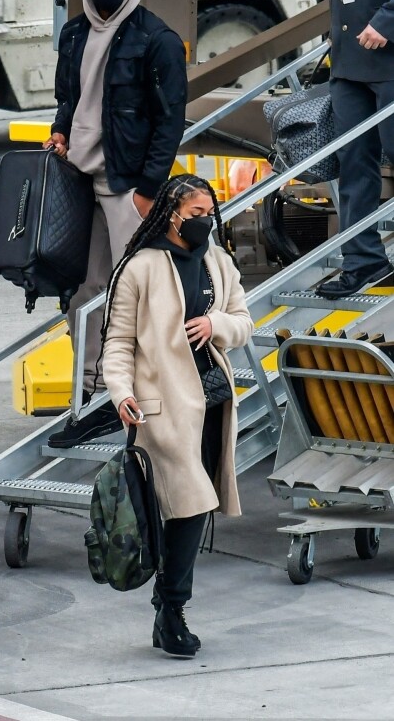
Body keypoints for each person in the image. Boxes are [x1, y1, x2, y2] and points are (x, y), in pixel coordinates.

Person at [102, 175, 254, 658]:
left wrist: (217, 324)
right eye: (195, 214)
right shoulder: (139, 268)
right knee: (187, 506)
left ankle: (168, 609)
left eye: (210, 212)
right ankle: (172, 611)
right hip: (160, 409)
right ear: (171, 215)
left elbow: (245, 322)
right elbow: (118, 342)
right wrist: (120, 391)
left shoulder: (218, 261)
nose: (205, 221)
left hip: (212, 402)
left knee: (194, 505)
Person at [45, 0, 188, 447]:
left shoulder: (157, 40)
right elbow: (71, 96)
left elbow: (169, 123)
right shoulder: (75, 32)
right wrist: (62, 128)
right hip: (79, 181)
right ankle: (89, 395)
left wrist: (149, 189)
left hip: (126, 185)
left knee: (134, 293)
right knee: (82, 290)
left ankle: (137, 394)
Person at [317, 0, 394, 299]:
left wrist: (386, 22)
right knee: (354, 163)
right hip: (349, 57)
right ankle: (364, 262)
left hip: (387, 55)